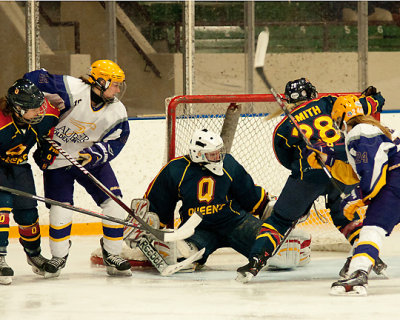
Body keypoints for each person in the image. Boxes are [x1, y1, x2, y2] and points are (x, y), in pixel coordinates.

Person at [236, 78, 386, 282]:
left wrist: (304, 175)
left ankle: (254, 262)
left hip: (308, 171)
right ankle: (370, 257)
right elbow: (365, 105)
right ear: (312, 93)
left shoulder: (283, 127)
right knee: (345, 217)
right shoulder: (328, 102)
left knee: (279, 221)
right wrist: (374, 97)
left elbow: (285, 160)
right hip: (342, 166)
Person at [124, 128, 312, 273]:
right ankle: (184, 251)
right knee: (181, 255)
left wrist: (278, 211)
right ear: (198, 153)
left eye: (219, 152)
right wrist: (150, 226)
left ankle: (288, 244)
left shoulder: (229, 164)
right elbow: (158, 202)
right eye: (213, 154)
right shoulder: (175, 170)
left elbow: (250, 195)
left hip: (236, 222)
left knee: (279, 255)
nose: (218, 157)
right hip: (198, 229)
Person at [23, 60, 132, 277]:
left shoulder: (117, 110)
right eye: (115, 84)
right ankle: (58, 256)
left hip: (92, 160)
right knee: (60, 210)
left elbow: (119, 139)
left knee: (114, 203)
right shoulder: (71, 88)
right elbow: (31, 81)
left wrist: (96, 154)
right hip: (57, 160)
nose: (118, 89)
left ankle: (112, 254)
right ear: (100, 81)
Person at [317, 95, 400, 295]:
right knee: (372, 228)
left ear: (342, 118)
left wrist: (359, 195)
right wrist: (327, 160)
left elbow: (373, 171)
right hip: (395, 177)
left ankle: (358, 273)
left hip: (396, 180)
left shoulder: (359, 131)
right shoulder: (374, 128)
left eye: (338, 121)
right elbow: (357, 172)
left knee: (371, 229)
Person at [0, 78, 60, 284]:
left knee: (28, 212)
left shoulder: (47, 114)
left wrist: (46, 152)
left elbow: (47, 136)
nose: (39, 111)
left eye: (39, 105)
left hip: (19, 166)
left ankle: (34, 254)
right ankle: (0, 258)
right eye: (33, 108)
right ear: (17, 109)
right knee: (2, 208)